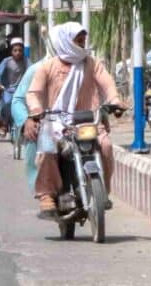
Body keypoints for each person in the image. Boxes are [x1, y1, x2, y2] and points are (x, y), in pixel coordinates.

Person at [22, 20, 120, 217]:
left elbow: (107, 84)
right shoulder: (47, 67)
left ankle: (103, 192)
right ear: (67, 41)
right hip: (55, 122)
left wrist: (115, 101)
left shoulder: (92, 64)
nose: (82, 44)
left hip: (87, 121)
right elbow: (33, 93)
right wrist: (36, 110)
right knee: (48, 149)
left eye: (84, 40)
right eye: (78, 40)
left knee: (106, 145)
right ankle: (47, 195)